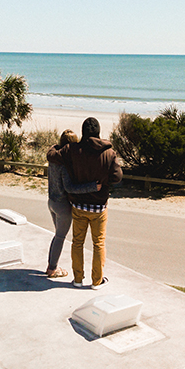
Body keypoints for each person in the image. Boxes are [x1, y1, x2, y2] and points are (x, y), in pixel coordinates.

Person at [47, 117, 122, 289]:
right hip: (99, 207)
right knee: (98, 243)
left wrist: (55, 145)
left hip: (78, 206)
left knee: (77, 242)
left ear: (83, 132)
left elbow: (51, 155)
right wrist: (103, 180)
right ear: (98, 132)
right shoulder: (109, 153)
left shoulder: (72, 150)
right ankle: (97, 281)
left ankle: (78, 279)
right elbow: (117, 177)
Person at [45, 129, 100, 279]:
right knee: (60, 237)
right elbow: (69, 188)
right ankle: (52, 269)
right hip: (62, 205)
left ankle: (51, 265)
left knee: (58, 236)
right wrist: (92, 187)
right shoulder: (65, 165)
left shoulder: (53, 159)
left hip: (51, 201)